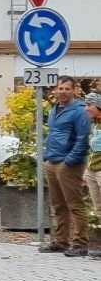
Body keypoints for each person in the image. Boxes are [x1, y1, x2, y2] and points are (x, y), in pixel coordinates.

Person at [40, 76, 92, 256]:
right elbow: (52, 134)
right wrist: (46, 156)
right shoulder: (55, 109)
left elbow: (82, 138)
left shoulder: (79, 111)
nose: (62, 91)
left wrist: (70, 160)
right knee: (57, 204)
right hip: (52, 161)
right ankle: (61, 241)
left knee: (75, 205)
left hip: (68, 164)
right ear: (55, 90)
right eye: (60, 88)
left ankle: (80, 244)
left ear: (74, 90)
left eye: (66, 89)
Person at [84, 92, 101, 259]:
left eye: (90, 105)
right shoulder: (95, 125)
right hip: (92, 170)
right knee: (99, 209)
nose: (86, 108)